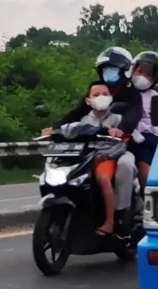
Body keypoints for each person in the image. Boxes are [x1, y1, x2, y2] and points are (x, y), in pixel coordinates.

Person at [43, 82, 133, 236]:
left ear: (111, 97)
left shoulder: (118, 119)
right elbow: (69, 132)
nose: (101, 98)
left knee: (103, 178)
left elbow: (130, 137)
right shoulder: (82, 120)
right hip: (85, 158)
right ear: (88, 100)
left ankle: (110, 222)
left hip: (106, 156)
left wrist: (120, 132)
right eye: (96, 95)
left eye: (105, 94)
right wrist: (53, 131)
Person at [127, 50, 158, 187]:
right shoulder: (125, 94)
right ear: (132, 71)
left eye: (148, 74)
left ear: (155, 78)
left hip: (151, 141)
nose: (142, 76)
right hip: (131, 139)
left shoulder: (156, 98)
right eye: (140, 71)